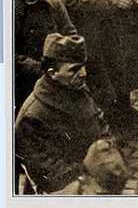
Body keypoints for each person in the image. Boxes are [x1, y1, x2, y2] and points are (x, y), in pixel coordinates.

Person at [15, 33, 110, 194]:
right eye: (74, 69)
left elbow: (100, 123)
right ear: (52, 73)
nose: (83, 73)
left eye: (83, 66)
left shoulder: (77, 89)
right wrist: (87, 179)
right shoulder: (32, 116)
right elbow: (48, 173)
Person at [15, 0, 76, 110]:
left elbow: (70, 34)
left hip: (55, 74)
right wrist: (39, 69)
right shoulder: (9, 11)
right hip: (21, 79)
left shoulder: (55, 5)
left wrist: (63, 65)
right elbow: (9, 54)